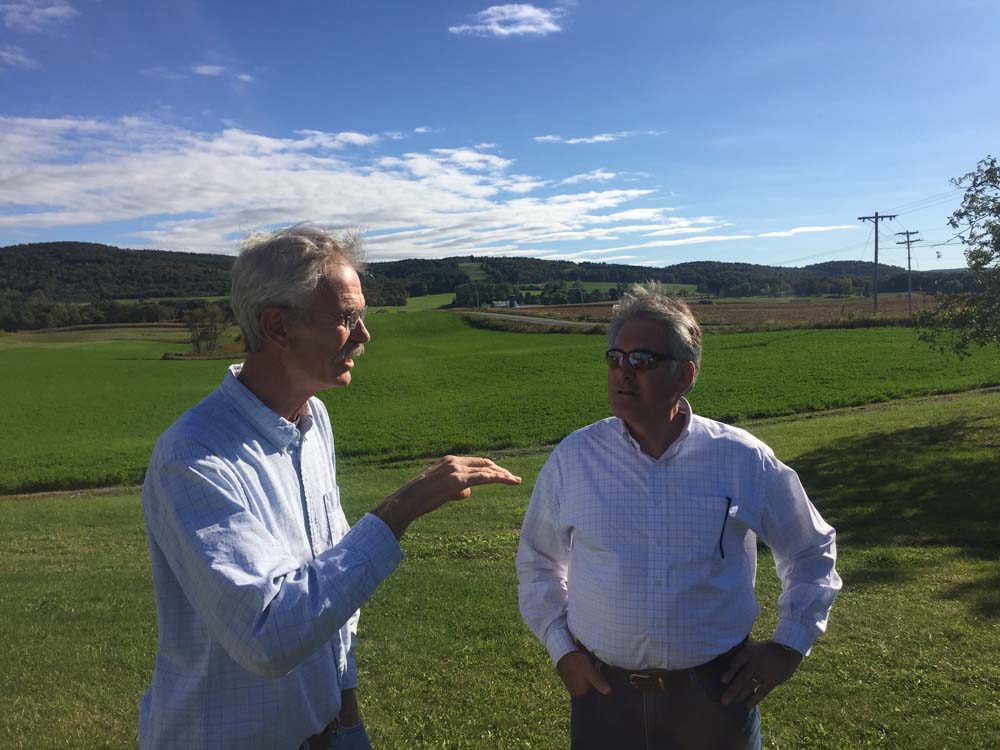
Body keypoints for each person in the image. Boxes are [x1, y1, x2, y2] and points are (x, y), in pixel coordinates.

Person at [139, 225, 521, 750]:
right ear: (276, 326)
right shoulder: (193, 457)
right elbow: (268, 633)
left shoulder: (312, 419)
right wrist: (399, 510)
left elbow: (328, 583)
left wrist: (347, 717)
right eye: (346, 318)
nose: (364, 335)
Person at [516, 282, 841, 750]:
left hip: (715, 700)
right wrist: (561, 649)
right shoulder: (574, 459)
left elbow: (812, 549)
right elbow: (538, 561)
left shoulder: (741, 458)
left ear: (685, 375)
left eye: (642, 360)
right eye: (615, 358)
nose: (623, 373)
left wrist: (789, 645)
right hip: (603, 700)